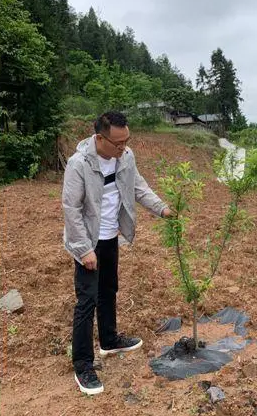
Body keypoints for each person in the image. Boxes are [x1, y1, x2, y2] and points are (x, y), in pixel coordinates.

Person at [62, 111, 173, 395]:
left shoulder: (125, 157)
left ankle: (109, 340)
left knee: (109, 289)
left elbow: (138, 186)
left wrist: (161, 207)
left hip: (111, 236)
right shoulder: (78, 165)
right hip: (87, 241)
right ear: (99, 138)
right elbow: (71, 210)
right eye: (117, 143)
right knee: (86, 301)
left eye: (127, 142)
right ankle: (83, 365)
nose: (122, 148)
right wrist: (84, 249)